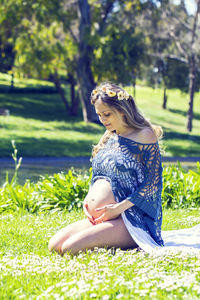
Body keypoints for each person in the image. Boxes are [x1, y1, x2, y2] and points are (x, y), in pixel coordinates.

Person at [48, 82, 165, 256]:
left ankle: (131, 243)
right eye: (99, 115)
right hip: (104, 217)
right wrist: (88, 200)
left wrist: (117, 209)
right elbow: (99, 176)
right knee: (55, 245)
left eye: (107, 114)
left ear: (122, 110)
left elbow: (153, 183)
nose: (103, 120)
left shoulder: (144, 135)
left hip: (130, 219)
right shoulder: (111, 134)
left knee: (69, 249)